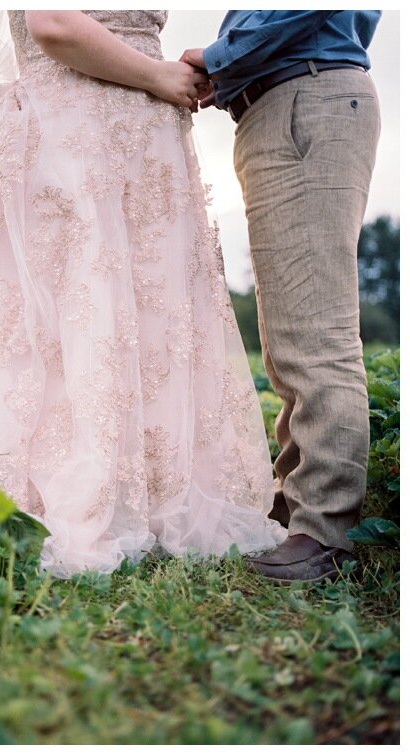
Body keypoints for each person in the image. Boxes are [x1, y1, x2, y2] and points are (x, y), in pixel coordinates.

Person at [0, 11, 287, 577]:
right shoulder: (136, 76)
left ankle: (157, 493)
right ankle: (84, 497)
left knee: (153, 318)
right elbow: (53, 23)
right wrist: (157, 76)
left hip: (142, 141)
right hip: (78, 131)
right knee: (81, 313)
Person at [180, 11, 382, 583]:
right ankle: (296, 508)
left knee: (316, 336)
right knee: (291, 338)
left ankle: (324, 533)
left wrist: (219, 56)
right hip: (287, 104)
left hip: (304, 99)